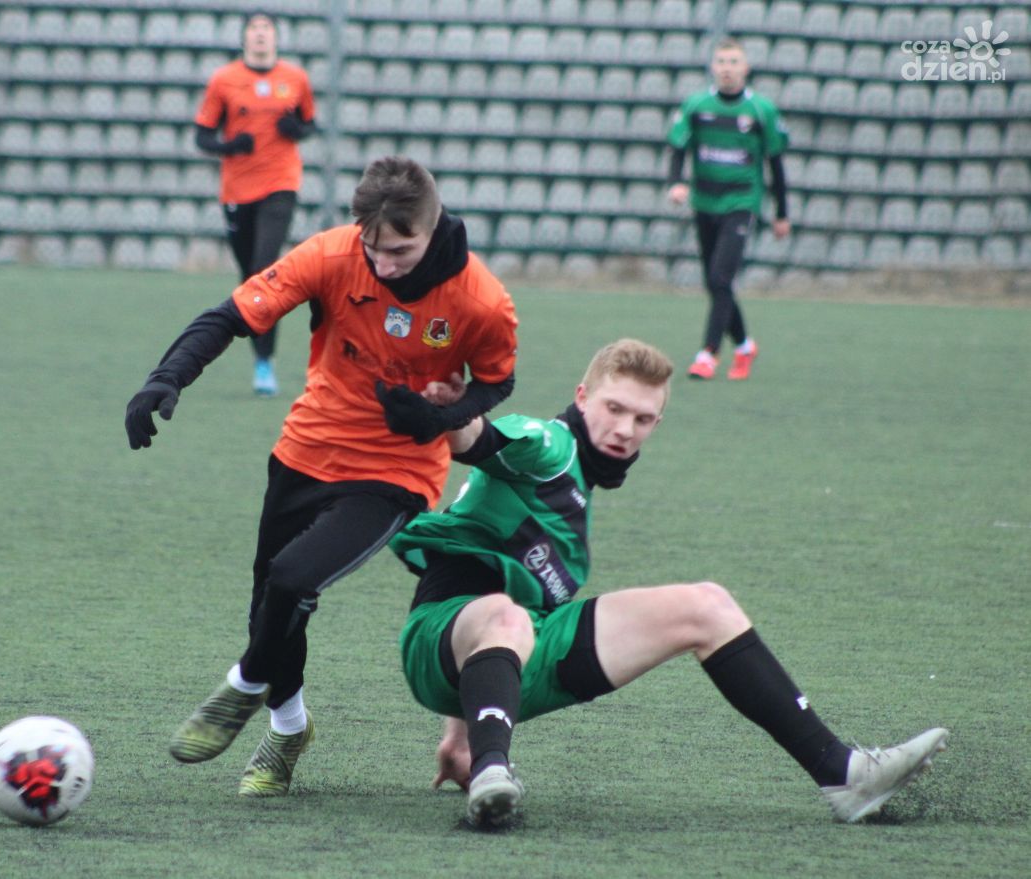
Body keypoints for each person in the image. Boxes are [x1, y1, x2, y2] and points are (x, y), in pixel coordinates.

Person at [391, 339, 948, 827]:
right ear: (582, 397)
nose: (624, 429)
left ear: (656, 424)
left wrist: (458, 738)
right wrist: (454, 411)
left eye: (642, 419)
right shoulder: (550, 446)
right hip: (434, 641)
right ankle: (494, 771)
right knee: (505, 613)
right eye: (614, 408)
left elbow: (501, 614)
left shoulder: (579, 483)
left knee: (708, 606)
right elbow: (478, 440)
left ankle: (843, 774)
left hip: (523, 646)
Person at [124, 156, 520, 797]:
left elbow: (496, 383)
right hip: (304, 451)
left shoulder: (481, 300)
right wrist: (165, 378)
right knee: (270, 605)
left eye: (400, 251)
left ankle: (245, 682)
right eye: (373, 247)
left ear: (431, 227)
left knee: (293, 578)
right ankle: (289, 730)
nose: (383, 263)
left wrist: (438, 415)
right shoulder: (332, 255)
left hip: (396, 472)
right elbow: (229, 317)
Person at [194, 10, 318, 396]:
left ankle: (266, 363)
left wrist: (296, 130)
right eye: (254, 28)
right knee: (249, 275)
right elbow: (202, 136)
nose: (260, 34)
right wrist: (230, 146)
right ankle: (259, 352)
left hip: (281, 183)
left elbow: (310, 122)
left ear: (275, 37)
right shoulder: (224, 80)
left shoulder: (295, 78)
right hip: (237, 190)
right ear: (245, 37)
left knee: (266, 268)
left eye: (266, 28)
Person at [665, 38, 791, 381]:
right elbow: (678, 147)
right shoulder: (696, 105)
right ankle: (745, 345)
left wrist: (782, 213)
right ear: (712, 67)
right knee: (715, 282)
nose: (727, 68)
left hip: (741, 203)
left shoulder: (761, 110)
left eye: (734, 62)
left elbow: (776, 164)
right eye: (721, 61)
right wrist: (676, 183)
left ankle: (708, 353)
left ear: (745, 68)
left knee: (720, 278)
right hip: (704, 202)